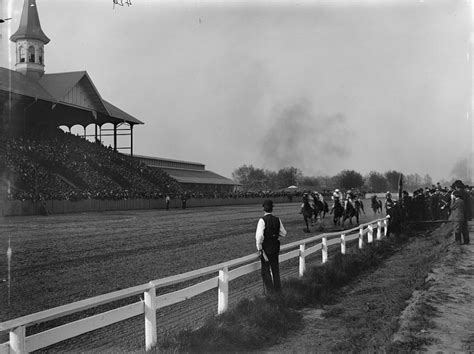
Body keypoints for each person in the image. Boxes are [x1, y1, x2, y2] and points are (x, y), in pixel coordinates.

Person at [255, 199, 287, 293]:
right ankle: (278, 290)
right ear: (272, 209)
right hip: (275, 246)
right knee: (275, 269)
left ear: (264, 209)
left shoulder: (262, 220)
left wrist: (259, 247)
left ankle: (270, 292)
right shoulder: (277, 219)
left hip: (266, 248)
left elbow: (260, 236)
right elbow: (284, 233)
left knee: (265, 270)